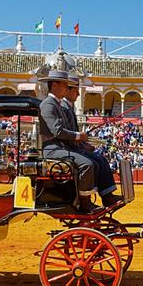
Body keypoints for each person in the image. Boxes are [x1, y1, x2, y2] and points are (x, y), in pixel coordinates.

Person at [37, 70, 97, 211]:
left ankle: (84, 199)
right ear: (55, 85)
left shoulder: (56, 104)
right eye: (64, 85)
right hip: (53, 149)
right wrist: (78, 136)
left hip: (60, 148)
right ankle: (84, 203)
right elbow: (57, 131)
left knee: (90, 162)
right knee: (86, 164)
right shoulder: (48, 104)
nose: (66, 88)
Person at [62, 74, 123, 207]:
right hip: (69, 149)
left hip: (74, 147)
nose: (78, 94)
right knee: (93, 162)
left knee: (101, 159)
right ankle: (87, 199)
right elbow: (67, 134)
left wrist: (84, 144)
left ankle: (107, 195)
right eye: (76, 90)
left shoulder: (68, 107)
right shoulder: (64, 107)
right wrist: (82, 145)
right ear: (67, 90)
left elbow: (72, 134)